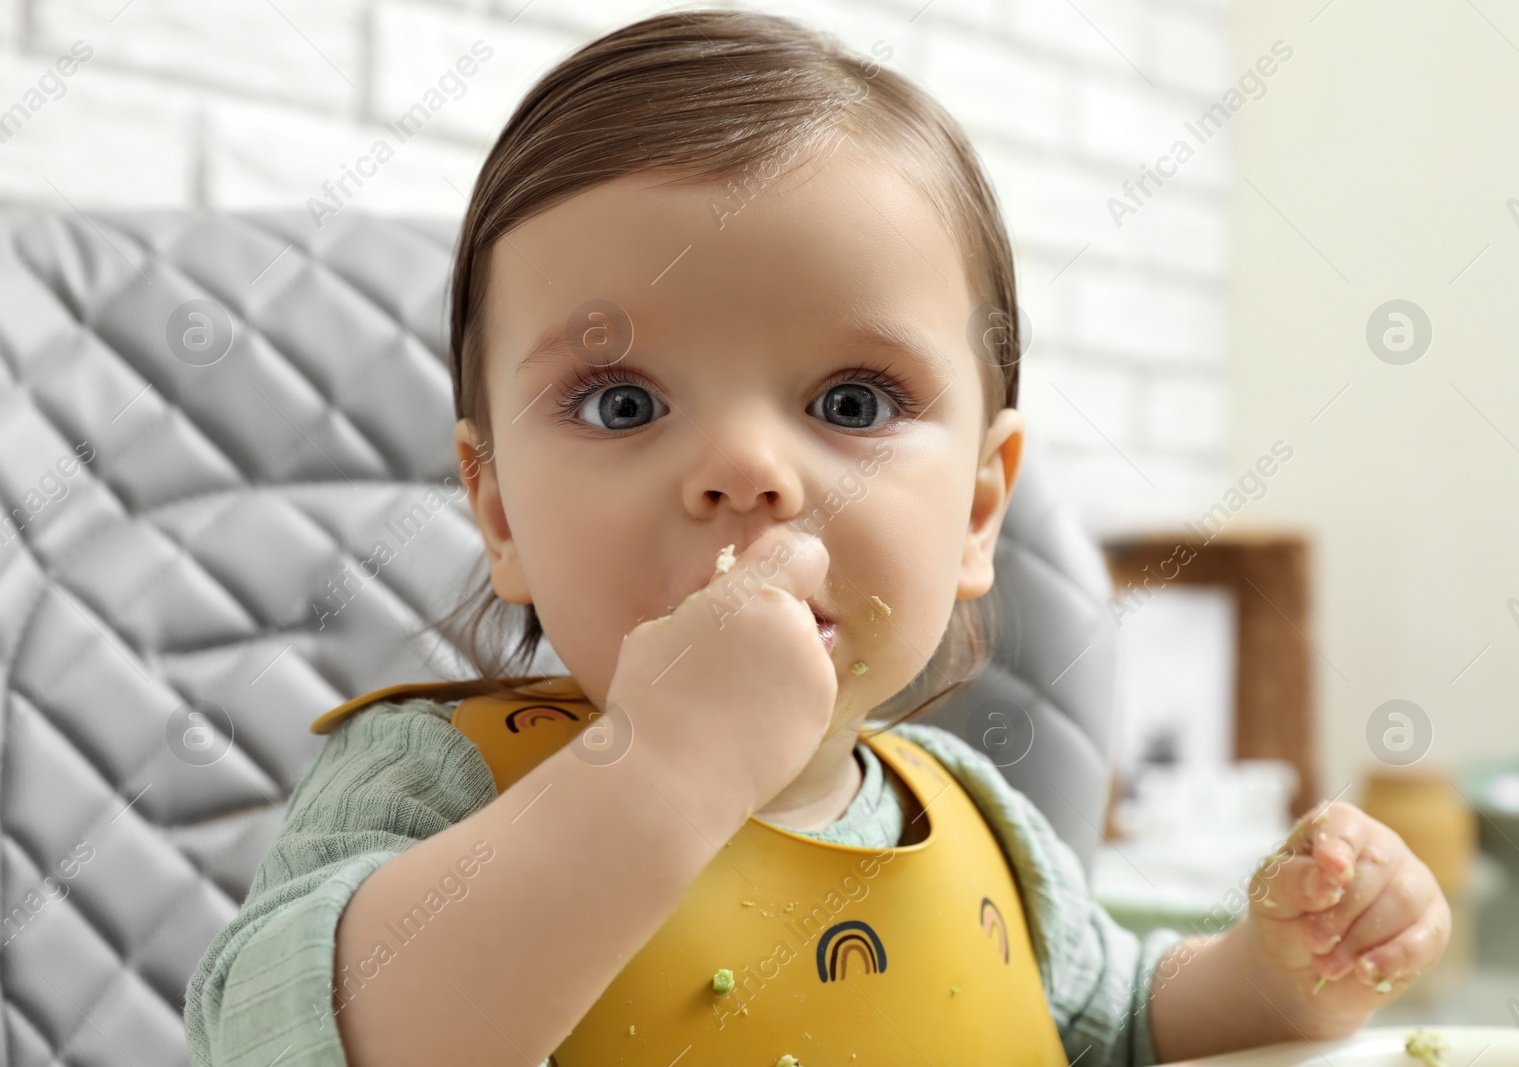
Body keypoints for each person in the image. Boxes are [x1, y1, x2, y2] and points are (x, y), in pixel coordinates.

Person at [184, 11, 1451, 1065]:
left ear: (973, 509)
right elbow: (277, 1036)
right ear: (501, 507)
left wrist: (1280, 978)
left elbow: (1117, 1026)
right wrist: (654, 769)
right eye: (623, 403)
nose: (746, 472)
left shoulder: (980, 822)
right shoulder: (434, 783)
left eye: (851, 402)